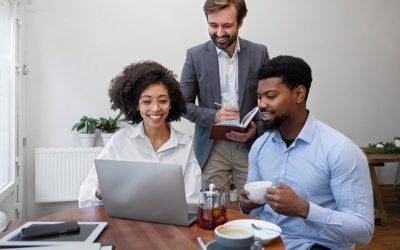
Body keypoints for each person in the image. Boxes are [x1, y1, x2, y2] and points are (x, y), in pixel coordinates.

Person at [239, 55, 374, 249]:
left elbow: (364, 231)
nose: (261, 105)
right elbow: (253, 215)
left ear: (299, 94)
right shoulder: (260, 146)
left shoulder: (340, 150)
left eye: (271, 96)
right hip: (266, 244)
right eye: (259, 97)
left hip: (317, 245)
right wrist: (247, 205)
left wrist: (304, 209)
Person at [78, 61, 202, 208]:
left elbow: (194, 202)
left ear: (171, 103)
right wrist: (102, 191)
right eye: (147, 101)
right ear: (136, 104)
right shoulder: (120, 141)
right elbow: (85, 198)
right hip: (127, 224)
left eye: (162, 100)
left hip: (172, 227)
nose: (155, 108)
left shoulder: (186, 145)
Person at [180, 0, 269, 203]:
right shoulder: (194, 55)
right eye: (213, 25)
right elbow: (182, 104)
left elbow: (269, 99)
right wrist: (214, 116)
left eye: (227, 26)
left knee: (257, 207)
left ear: (240, 22)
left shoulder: (259, 53)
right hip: (211, 146)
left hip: (249, 145)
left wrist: (256, 128)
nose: (219, 33)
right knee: (213, 210)